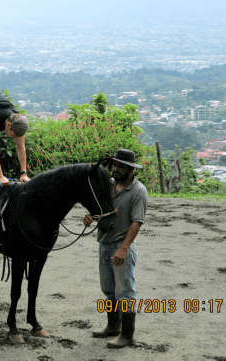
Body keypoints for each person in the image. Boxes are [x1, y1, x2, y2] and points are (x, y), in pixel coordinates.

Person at [84, 149, 148, 348]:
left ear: (131, 170)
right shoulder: (110, 186)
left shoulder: (138, 191)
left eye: (121, 166)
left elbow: (137, 222)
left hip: (122, 246)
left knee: (125, 292)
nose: (116, 169)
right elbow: (103, 211)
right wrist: (91, 218)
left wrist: (124, 248)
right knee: (109, 290)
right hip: (104, 243)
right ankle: (113, 326)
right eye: (115, 165)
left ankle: (127, 335)